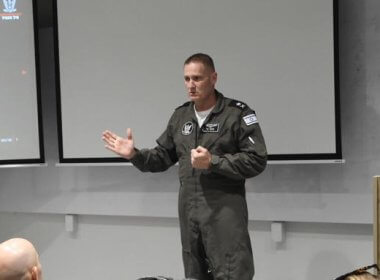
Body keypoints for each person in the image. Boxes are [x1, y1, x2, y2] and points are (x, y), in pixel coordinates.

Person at [102, 53, 267, 280]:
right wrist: (134, 154)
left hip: (224, 216)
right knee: (194, 275)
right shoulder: (181, 116)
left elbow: (257, 160)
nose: (191, 85)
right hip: (190, 215)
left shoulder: (236, 114)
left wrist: (213, 162)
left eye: (197, 78)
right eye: (187, 79)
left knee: (232, 274)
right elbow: (162, 157)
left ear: (214, 78)